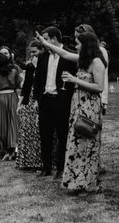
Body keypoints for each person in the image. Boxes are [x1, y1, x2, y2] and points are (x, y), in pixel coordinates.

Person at [37, 31, 106, 194]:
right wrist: (45, 44)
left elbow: (100, 87)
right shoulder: (83, 59)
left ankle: (88, 183)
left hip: (89, 108)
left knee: (87, 144)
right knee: (76, 144)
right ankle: (75, 182)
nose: (76, 46)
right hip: (78, 106)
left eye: (78, 43)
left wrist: (75, 80)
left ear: (86, 44)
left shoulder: (97, 62)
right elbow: (64, 53)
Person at [32, 26, 78, 178]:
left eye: (45, 38)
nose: (42, 42)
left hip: (61, 100)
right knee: (45, 134)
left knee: (62, 134)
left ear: (53, 39)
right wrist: (37, 99)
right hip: (45, 100)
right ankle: (46, 167)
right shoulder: (43, 56)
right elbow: (37, 79)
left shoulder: (69, 55)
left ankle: (60, 168)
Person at [15, 40, 43, 171]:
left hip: (41, 98)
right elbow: (26, 85)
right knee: (27, 130)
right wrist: (20, 104)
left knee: (38, 132)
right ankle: (27, 161)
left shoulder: (45, 65)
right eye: (31, 52)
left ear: (41, 51)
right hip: (28, 100)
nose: (32, 55)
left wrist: (38, 67)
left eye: (35, 52)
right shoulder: (30, 66)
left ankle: (39, 161)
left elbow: (41, 82)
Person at [74, 24, 109, 114]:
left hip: (93, 99)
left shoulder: (99, 53)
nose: (76, 40)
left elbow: (103, 77)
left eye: (78, 37)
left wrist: (104, 100)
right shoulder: (84, 55)